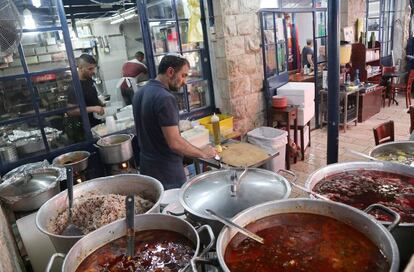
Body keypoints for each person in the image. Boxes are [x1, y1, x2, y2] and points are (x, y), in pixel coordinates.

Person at [132, 54, 216, 189]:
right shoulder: (165, 98)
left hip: (147, 170)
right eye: (183, 75)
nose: (184, 82)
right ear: (170, 72)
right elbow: (175, 142)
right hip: (167, 173)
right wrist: (203, 153)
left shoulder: (139, 94)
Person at [68, 54, 105, 128]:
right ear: (80, 68)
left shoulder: (88, 79)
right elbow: (71, 111)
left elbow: (90, 95)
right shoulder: (74, 86)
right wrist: (93, 108)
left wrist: (100, 103)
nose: (93, 71)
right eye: (90, 69)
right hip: (86, 127)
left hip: (97, 122)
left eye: (94, 68)